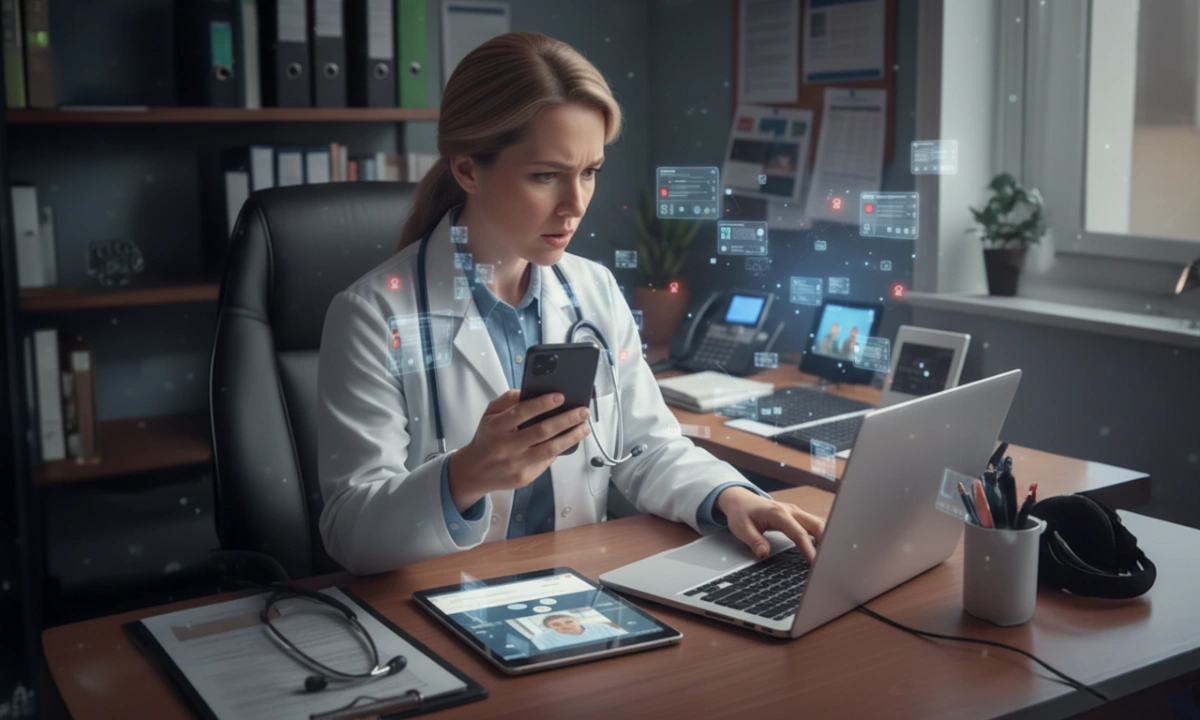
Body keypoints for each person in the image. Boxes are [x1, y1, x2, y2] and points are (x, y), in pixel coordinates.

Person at [317, 31, 825, 576]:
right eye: (546, 176)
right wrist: (464, 476)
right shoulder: (372, 315)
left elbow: (647, 447)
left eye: (589, 172)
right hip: (439, 598)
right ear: (467, 170)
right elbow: (349, 532)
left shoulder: (593, 289)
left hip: (578, 589)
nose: (576, 204)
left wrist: (730, 496)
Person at [530, 613, 625, 651]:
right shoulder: (542, 638)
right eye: (556, 624)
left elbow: (623, 639)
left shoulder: (600, 627)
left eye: (569, 622)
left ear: (578, 621)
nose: (565, 626)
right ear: (549, 628)